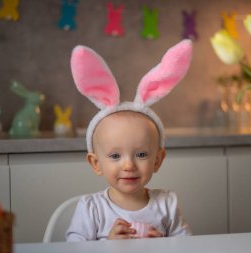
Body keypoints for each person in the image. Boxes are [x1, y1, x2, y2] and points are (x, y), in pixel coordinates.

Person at [66, 39, 193, 241]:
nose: (129, 165)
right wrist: (108, 244)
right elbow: (73, 248)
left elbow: (188, 246)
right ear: (96, 163)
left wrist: (163, 245)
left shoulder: (166, 204)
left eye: (141, 154)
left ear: (158, 160)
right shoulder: (92, 209)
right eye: (115, 155)